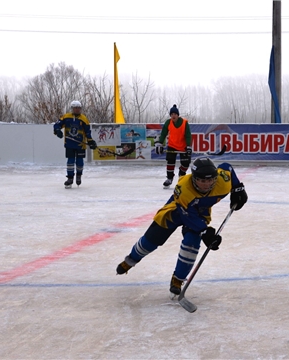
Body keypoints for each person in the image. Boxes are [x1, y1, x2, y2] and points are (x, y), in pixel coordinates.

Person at [115, 157, 248, 296]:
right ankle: (131, 259)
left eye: (210, 180)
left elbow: (227, 167)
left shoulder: (222, 181)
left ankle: (177, 279)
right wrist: (205, 231)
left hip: (199, 212)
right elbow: (188, 216)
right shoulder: (184, 188)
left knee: (192, 243)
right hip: (177, 210)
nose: (207, 185)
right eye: (202, 181)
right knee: (151, 240)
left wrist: (238, 188)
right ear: (194, 178)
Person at [53, 101, 97, 188]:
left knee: (80, 162)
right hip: (69, 144)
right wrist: (57, 131)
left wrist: (91, 141)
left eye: (79, 108)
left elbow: (87, 131)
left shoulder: (84, 119)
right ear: (72, 108)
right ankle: (70, 178)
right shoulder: (66, 117)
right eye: (75, 108)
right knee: (70, 162)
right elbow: (57, 125)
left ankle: (79, 175)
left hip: (80, 145)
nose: (77, 110)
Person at [154, 104, 193, 187]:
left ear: (178, 115)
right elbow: (163, 133)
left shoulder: (184, 123)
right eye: (171, 114)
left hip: (183, 146)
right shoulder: (168, 122)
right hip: (172, 145)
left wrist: (188, 146)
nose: (173, 116)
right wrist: (160, 143)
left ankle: (181, 173)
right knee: (170, 161)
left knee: (186, 163)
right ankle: (169, 178)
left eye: (175, 114)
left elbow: (188, 135)